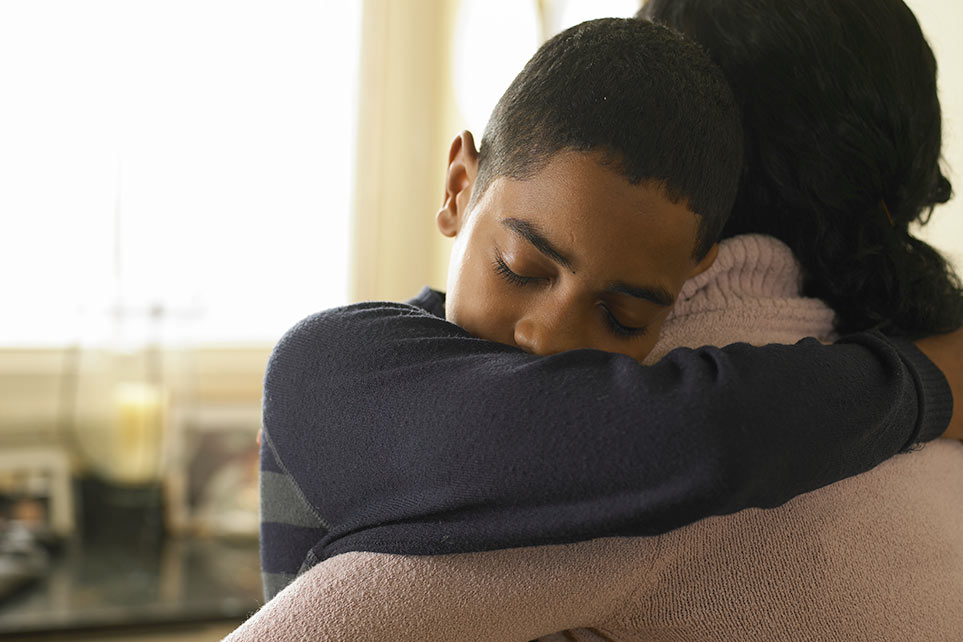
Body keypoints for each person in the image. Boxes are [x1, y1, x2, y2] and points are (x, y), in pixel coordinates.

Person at [231, 14, 960, 639]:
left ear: (691, 267)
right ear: (459, 186)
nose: (550, 341)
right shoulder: (336, 363)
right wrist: (928, 382)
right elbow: (696, 430)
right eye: (520, 267)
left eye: (623, 314)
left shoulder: (640, 444)